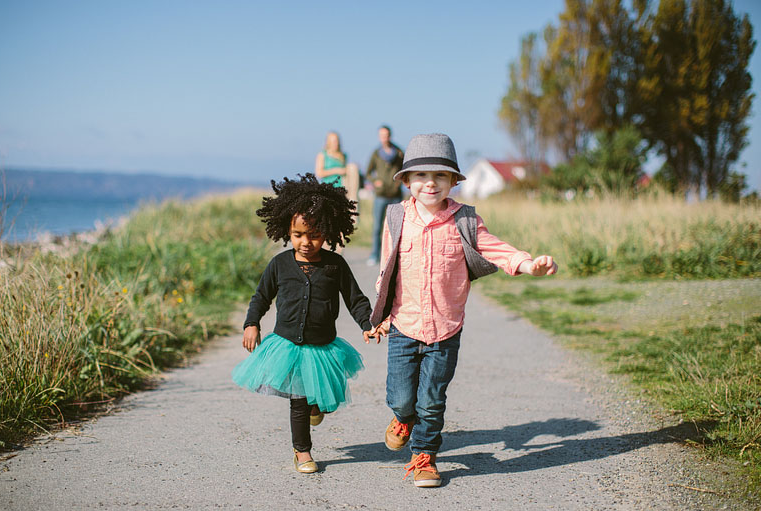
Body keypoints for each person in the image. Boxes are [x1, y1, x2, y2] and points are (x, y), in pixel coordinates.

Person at [369, 134, 558, 488]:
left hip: (446, 329)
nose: (430, 183)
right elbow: (387, 267)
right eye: (421, 175)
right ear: (407, 181)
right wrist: (379, 318)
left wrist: (530, 265)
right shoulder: (396, 217)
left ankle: (424, 456)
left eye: (440, 175)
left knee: (431, 400)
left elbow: (497, 249)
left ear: (454, 181)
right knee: (401, 397)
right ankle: (402, 419)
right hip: (403, 326)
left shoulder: (465, 220)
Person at [232, 173, 380, 474]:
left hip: (323, 346)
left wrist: (367, 323)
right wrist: (252, 323)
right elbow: (261, 297)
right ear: (288, 230)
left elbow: (355, 299)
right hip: (288, 346)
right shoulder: (280, 265)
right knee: (297, 402)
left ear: (326, 232)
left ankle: (318, 407)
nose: (305, 242)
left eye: (313, 234)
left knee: (325, 402)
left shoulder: (334, 265)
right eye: (298, 234)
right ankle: (302, 451)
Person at [365, 125, 404, 265]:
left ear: (390, 135)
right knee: (377, 227)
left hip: (395, 195)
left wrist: (399, 183)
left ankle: (395, 256)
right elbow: (368, 173)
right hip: (380, 195)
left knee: (396, 226)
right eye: (382, 135)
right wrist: (376, 181)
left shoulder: (399, 152)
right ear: (379, 137)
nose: (384, 138)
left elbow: (405, 169)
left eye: (386, 135)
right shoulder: (376, 153)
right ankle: (375, 254)